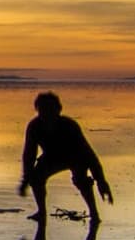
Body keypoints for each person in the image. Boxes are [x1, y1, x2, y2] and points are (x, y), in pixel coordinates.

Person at [19, 91, 113, 220]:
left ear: (58, 110)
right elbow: (29, 154)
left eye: (51, 109)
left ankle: (94, 213)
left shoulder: (69, 125)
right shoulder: (34, 126)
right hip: (51, 157)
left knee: (82, 180)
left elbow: (89, 154)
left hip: (75, 156)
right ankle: (41, 212)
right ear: (38, 110)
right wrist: (26, 179)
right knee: (36, 179)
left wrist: (101, 181)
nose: (47, 114)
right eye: (43, 110)